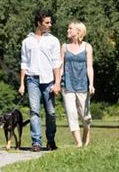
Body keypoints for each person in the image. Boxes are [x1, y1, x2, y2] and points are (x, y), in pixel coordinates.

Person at [18, 10, 61, 152]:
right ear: (39, 23)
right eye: (47, 22)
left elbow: (56, 63)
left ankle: (50, 140)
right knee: (34, 111)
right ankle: (36, 142)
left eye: (50, 22)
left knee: (51, 112)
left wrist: (57, 83)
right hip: (32, 80)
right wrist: (22, 84)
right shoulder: (27, 42)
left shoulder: (53, 41)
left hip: (49, 80)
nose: (50, 25)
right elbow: (24, 63)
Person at [60, 20, 95, 148]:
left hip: (82, 85)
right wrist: (58, 83)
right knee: (71, 113)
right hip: (67, 85)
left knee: (86, 116)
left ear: (78, 31)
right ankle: (78, 142)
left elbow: (89, 67)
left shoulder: (87, 47)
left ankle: (86, 130)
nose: (68, 31)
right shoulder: (64, 47)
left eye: (70, 29)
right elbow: (61, 67)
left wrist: (91, 84)